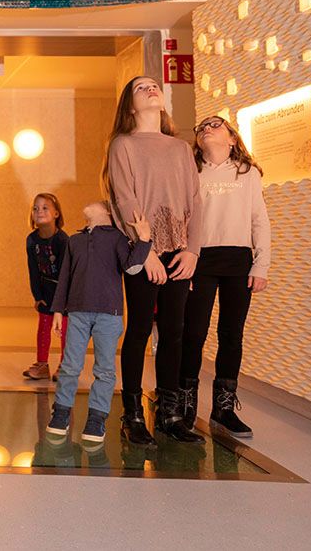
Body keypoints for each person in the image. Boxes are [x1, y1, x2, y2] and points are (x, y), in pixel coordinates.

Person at [104, 75, 203, 445]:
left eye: (153, 85)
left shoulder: (180, 148)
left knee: (174, 330)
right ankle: (131, 415)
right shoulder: (123, 145)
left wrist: (192, 250)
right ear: (131, 106)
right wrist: (145, 253)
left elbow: (196, 202)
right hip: (141, 247)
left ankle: (170, 412)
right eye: (140, 87)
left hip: (179, 248)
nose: (151, 88)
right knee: (141, 327)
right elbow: (125, 200)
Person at [179, 115, 271, 438]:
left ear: (232, 138)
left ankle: (223, 408)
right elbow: (182, 217)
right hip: (200, 257)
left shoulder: (248, 173)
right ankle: (185, 403)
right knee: (194, 331)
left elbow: (259, 220)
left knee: (231, 334)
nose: (206, 128)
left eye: (215, 124)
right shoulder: (191, 171)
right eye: (201, 126)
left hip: (238, 259)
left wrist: (261, 264)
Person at [46, 202, 152, 445]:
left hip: (109, 315)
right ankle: (61, 413)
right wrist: (59, 311)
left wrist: (144, 239)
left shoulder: (117, 237)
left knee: (104, 370)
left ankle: (97, 418)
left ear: (106, 213)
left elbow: (132, 267)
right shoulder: (75, 240)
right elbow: (64, 276)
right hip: (77, 313)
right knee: (70, 365)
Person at [23, 193, 69, 381]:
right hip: (45, 288)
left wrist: (64, 298)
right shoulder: (32, 240)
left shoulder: (62, 240)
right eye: (35, 208)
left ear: (56, 213)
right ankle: (42, 364)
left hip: (63, 290)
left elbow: (67, 272)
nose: (39, 211)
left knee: (64, 330)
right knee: (43, 327)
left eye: (44, 208)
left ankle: (65, 366)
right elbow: (33, 269)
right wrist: (37, 294)